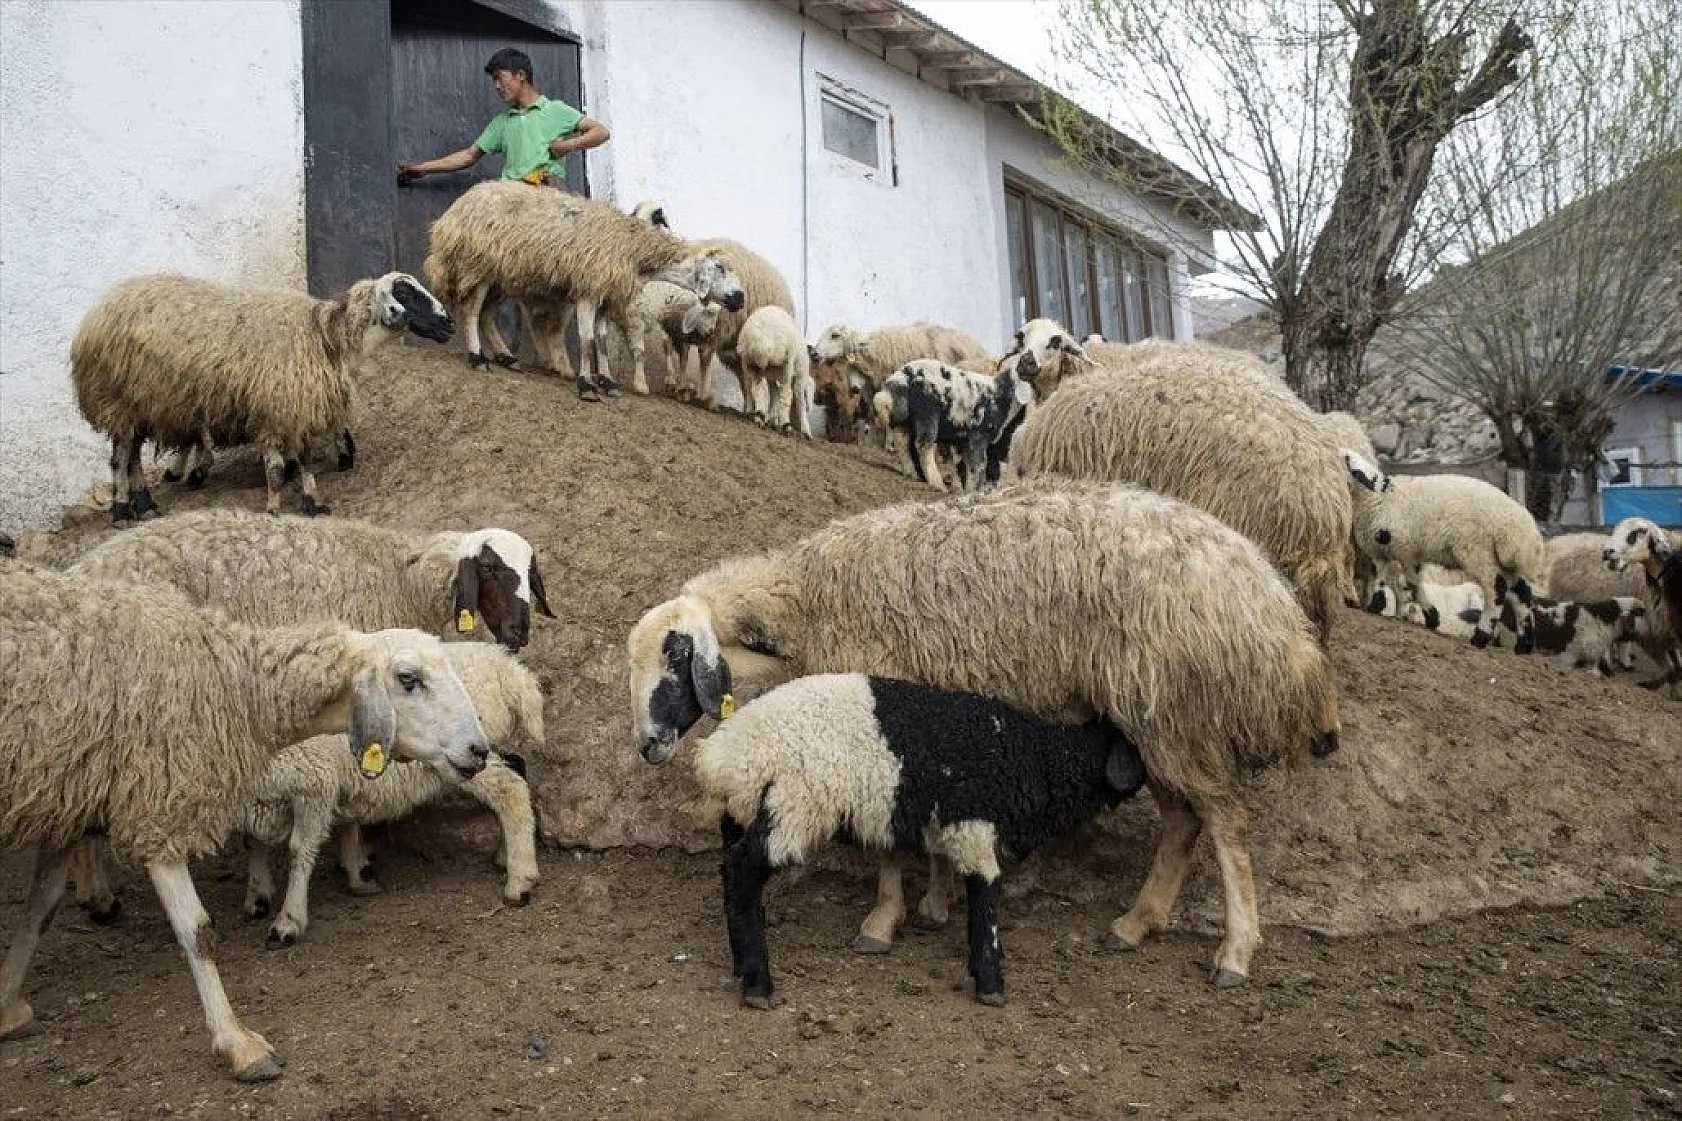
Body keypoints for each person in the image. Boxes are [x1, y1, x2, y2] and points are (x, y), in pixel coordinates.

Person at [398, 47, 610, 188]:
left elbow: (601, 132)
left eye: (500, 78)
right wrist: (423, 168)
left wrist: (567, 146)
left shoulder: (555, 110)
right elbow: (468, 156)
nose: (497, 87)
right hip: (511, 198)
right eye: (494, 81)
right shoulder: (501, 122)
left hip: (548, 195)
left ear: (521, 75)